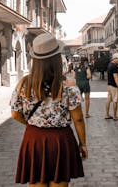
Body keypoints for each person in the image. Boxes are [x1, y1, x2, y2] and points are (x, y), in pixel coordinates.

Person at [10, 33, 87, 186]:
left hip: (34, 140)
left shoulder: (24, 84)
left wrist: (31, 124)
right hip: (61, 141)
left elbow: (14, 113)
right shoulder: (68, 86)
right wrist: (82, 144)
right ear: (57, 59)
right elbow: (78, 118)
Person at [105, 52, 118, 121]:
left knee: (108, 100)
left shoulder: (109, 65)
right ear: (115, 58)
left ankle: (107, 115)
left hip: (109, 85)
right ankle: (115, 116)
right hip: (114, 86)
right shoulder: (114, 66)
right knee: (115, 100)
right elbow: (115, 77)